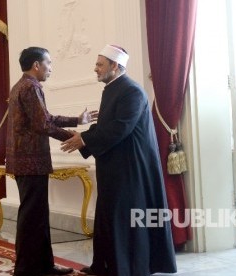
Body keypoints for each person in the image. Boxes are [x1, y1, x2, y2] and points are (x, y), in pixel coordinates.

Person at [60, 45, 177, 276]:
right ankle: (105, 266)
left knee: (125, 219)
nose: (95, 69)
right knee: (109, 217)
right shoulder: (114, 88)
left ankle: (127, 268)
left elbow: (120, 127)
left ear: (115, 66)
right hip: (115, 166)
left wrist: (85, 139)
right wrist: (85, 137)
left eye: (100, 64)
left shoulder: (131, 91)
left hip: (131, 168)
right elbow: (108, 126)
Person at [5, 46, 96, 276]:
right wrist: (77, 139)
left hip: (26, 162)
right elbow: (44, 125)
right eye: (49, 63)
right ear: (36, 65)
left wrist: (77, 120)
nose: (51, 69)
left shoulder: (21, 85)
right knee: (32, 219)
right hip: (31, 163)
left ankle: (44, 266)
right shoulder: (31, 87)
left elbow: (44, 118)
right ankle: (26, 270)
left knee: (36, 217)